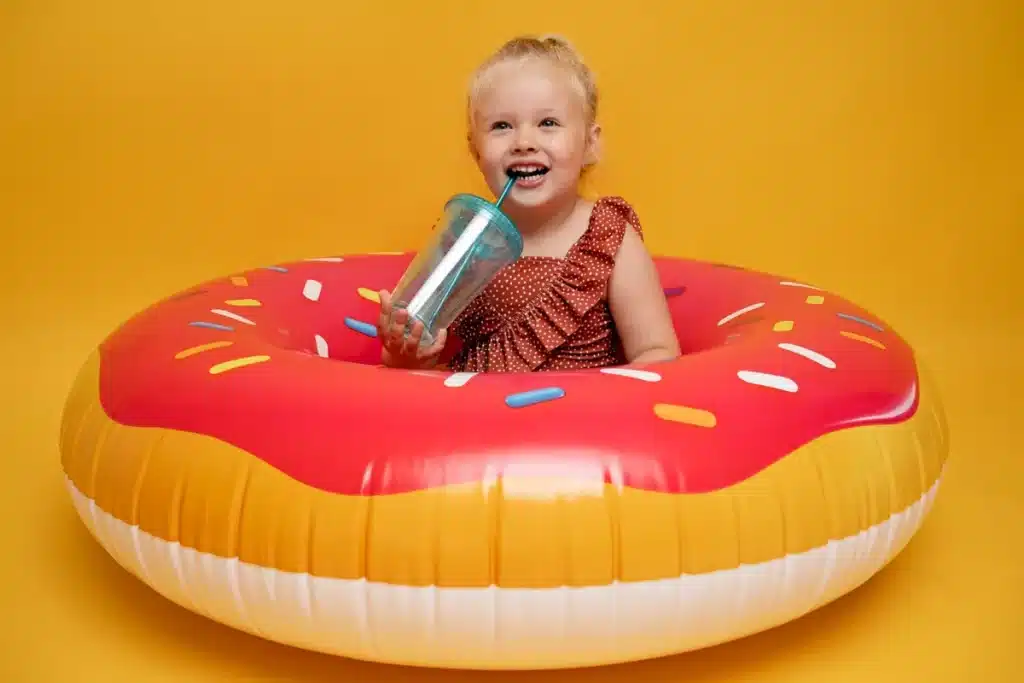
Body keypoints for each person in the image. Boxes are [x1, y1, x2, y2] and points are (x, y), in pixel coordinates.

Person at [376, 34, 681, 372]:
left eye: (548, 123)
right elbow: (416, 363)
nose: (523, 142)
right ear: (475, 150)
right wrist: (406, 351)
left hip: (584, 419)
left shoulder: (608, 238)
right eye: (501, 126)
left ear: (589, 145)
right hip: (480, 415)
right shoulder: (462, 241)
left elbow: (657, 352)